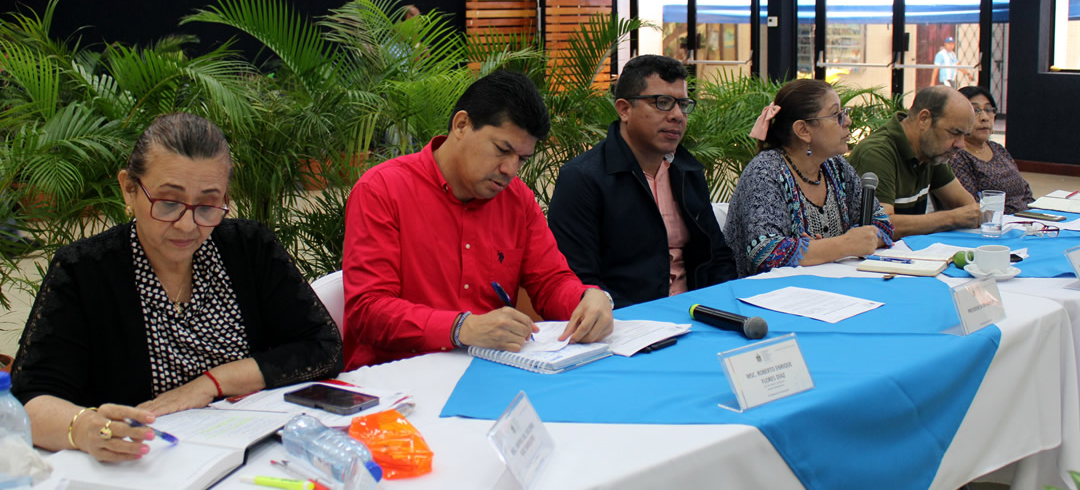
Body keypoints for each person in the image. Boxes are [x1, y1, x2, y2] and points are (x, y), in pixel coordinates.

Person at [10, 113, 343, 462]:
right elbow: (30, 399)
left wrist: (209, 384)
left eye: (207, 205)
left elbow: (323, 349)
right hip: (141, 465)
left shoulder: (248, 248)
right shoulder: (85, 271)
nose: (187, 225)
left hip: (251, 456)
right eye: (168, 203)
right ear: (129, 189)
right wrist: (83, 428)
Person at [342, 69, 614, 370]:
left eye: (522, 159)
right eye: (502, 150)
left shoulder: (517, 199)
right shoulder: (382, 190)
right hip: (396, 378)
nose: (510, 169)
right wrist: (461, 328)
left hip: (489, 369)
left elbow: (550, 281)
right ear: (461, 125)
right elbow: (369, 311)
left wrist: (588, 298)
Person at [547, 55, 737, 308]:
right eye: (663, 103)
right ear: (624, 109)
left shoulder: (687, 170)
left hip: (699, 312)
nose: (677, 115)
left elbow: (716, 257)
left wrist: (726, 308)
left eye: (682, 104)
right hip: (628, 322)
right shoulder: (583, 178)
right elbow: (578, 278)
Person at [723, 79, 894, 277]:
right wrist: (844, 245)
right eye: (837, 115)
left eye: (844, 113)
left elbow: (882, 224)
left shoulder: (835, 166)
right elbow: (765, 253)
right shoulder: (765, 171)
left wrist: (826, 248)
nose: (847, 121)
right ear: (803, 130)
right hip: (765, 298)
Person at [849, 85, 981, 239]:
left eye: (964, 135)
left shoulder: (930, 152)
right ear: (924, 119)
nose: (961, 144)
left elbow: (967, 208)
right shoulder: (876, 153)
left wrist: (962, 215)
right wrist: (952, 218)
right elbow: (880, 226)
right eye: (954, 133)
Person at [948, 86, 1034, 213]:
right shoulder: (957, 156)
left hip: (1024, 219)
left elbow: (1025, 190)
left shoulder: (997, 148)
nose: (984, 117)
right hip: (993, 225)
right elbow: (973, 207)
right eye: (975, 110)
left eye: (988, 110)